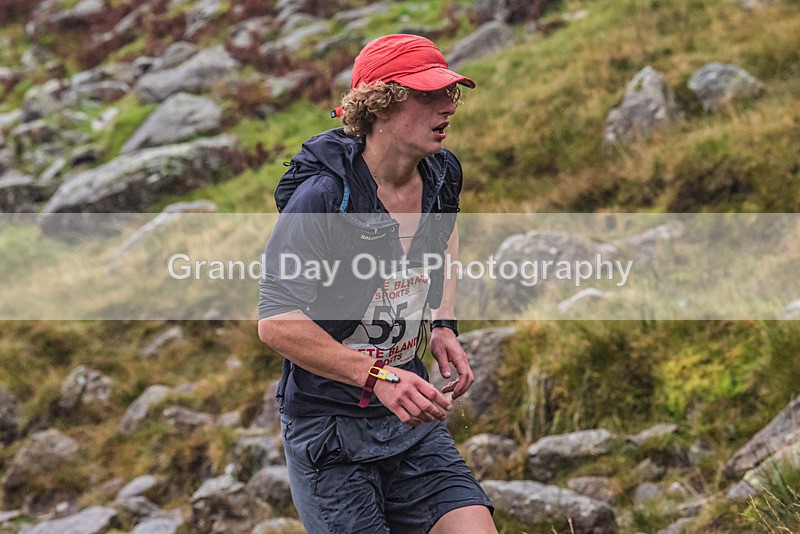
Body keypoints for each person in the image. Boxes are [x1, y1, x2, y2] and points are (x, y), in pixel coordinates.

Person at [257, 34, 496, 534]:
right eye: (428, 94)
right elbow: (276, 322)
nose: (448, 106)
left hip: (409, 420)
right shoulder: (323, 198)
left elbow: (443, 232)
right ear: (380, 105)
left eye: (451, 92)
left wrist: (443, 322)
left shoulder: (441, 172)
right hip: (331, 432)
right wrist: (377, 378)